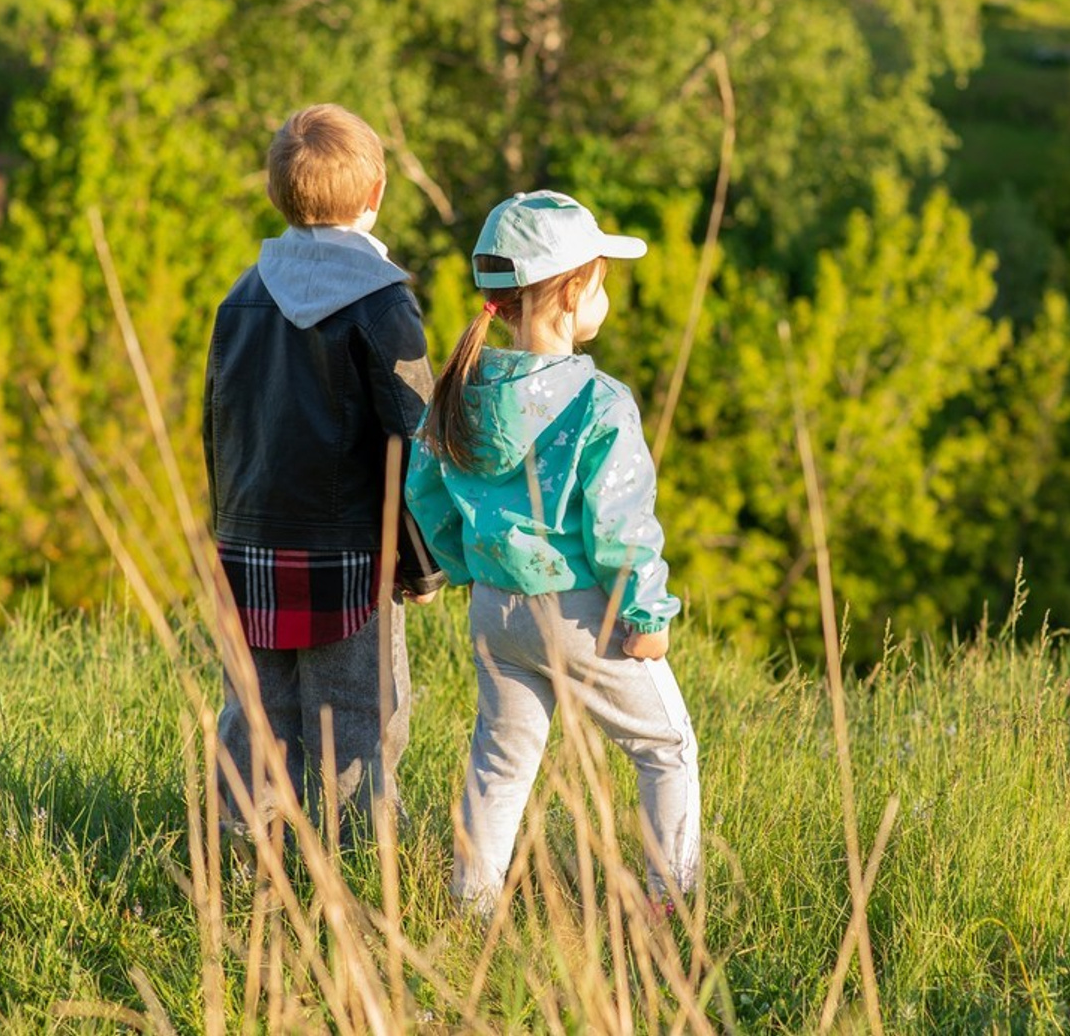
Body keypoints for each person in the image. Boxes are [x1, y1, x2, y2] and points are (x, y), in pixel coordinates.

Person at [405, 189, 700, 915]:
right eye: (600, 279)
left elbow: (426, 492)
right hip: (582, 616)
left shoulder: (463, 391)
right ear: (573, 293)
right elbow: (621, 523)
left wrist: (471, 566)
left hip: (496, 612)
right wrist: (645, 610)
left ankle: (471, 909)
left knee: (500, 764)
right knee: (666, 749)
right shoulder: (599, 401)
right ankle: (671, 902)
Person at [203, 103, 445, 842]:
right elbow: (418, 436)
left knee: (257, 709)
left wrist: (226, 521)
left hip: (249, 540)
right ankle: (355, 858)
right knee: (354, 713)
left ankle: (243, 854)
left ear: (279, 193)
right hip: (350, 550)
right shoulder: (382, 302)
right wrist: (427, 563)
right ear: (375, 195)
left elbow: (218, 419)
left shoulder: (242, 295)